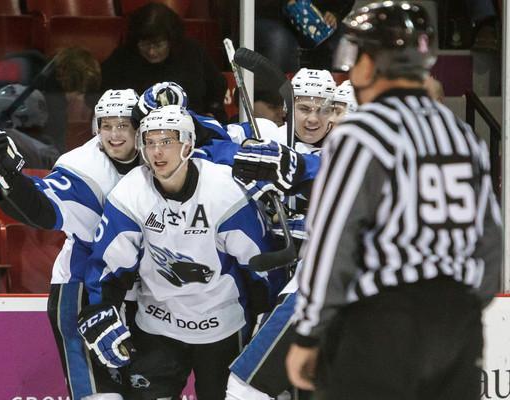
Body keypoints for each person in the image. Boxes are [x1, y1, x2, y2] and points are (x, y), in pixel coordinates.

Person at [286, 3, 502, 400]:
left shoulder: (362, 133)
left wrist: (309, 330)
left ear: (370, 62)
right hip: (457, 326)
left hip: (380, 327)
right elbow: (491, 236)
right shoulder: (458, 133)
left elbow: (333, 240)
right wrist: (463, 309)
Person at [79, 105, 280, 400]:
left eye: (166, 142)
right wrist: (101, 309)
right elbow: (109, 268)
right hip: (157, 327)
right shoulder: (131, 193)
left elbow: (260, 265)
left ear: (188, 144)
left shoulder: (224, 190)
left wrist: (267, 314)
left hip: (222, 328)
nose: (157, 152)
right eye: (150, 142)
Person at [0, 88, 141, 400]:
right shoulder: (84, 168)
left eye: (123, 125)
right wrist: (10, 178)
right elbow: (41, 208)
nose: (114, 135)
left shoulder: (159, 154)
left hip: (141, 293)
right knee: (100, 396)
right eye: (106, 125)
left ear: (139, 126)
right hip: (82, 290)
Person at [224, 72, 357, 400]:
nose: (315, 118)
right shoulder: (268, 134)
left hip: (321, 289)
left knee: (252, 386)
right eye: (305, 107)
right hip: (270, 279)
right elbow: (214, 144)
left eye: (326, 110)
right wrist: (244, 158)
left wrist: (293, 168)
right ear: (288, 107)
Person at [100, 3, 227, 122]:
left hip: (191, 127)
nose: (151, 52)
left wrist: (211, 114)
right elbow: (101, 94)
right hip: (136, 131)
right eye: (144, 44)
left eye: (158, 44)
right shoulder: (123, 57)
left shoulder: (192, 53)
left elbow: (217, 87)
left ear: (171, 41)